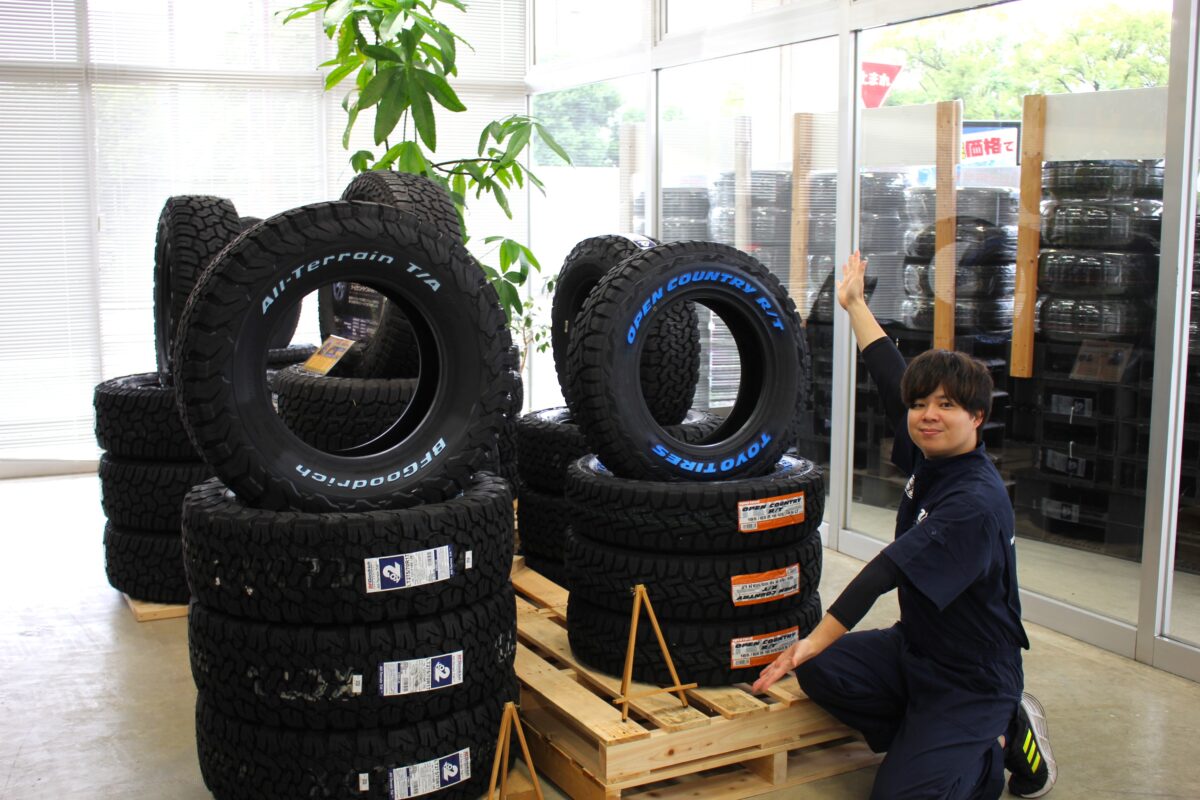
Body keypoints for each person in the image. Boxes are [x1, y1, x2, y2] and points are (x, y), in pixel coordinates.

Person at [752, 251, 1057, 799]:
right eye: (921, 405)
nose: (927, 414)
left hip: (973, 678)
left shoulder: (974, 501)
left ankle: (998, 740)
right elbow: (890, 371)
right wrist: (854, 305)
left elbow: (883, 572)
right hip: (916, 649)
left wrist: (807, 640)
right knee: (821, 669)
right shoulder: (932, 451)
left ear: (977, 417)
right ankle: (928, 740)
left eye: (947, 405)